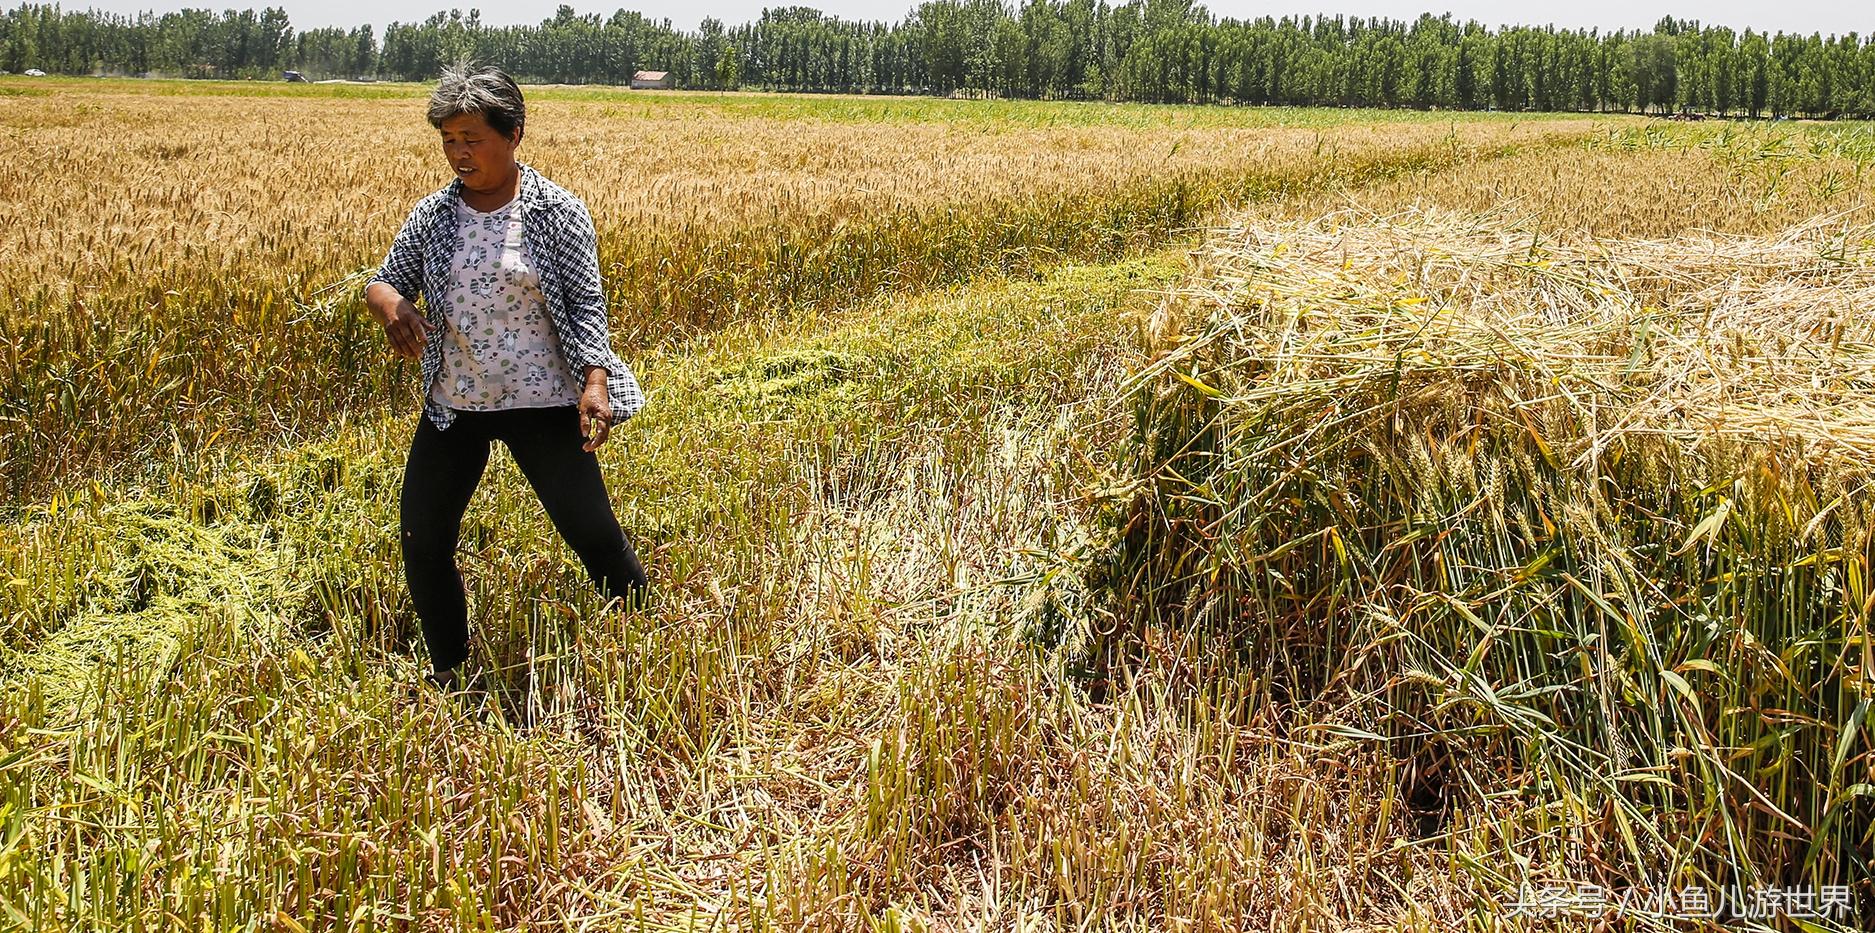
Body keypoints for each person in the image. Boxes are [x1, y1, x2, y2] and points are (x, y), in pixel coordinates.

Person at [364, 63, 649, 691]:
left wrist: (595, 384)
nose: (459, 153)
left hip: (542, 400)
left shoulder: (556, 211)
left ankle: (645, 636)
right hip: (456, 403)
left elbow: (586, 307)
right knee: (423, 535)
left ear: (514, 133)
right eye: (448, 140)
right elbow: (385, 278)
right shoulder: (434, 215)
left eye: (473, 138)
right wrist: (390, 305)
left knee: (592, 533)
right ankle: (450, 671)